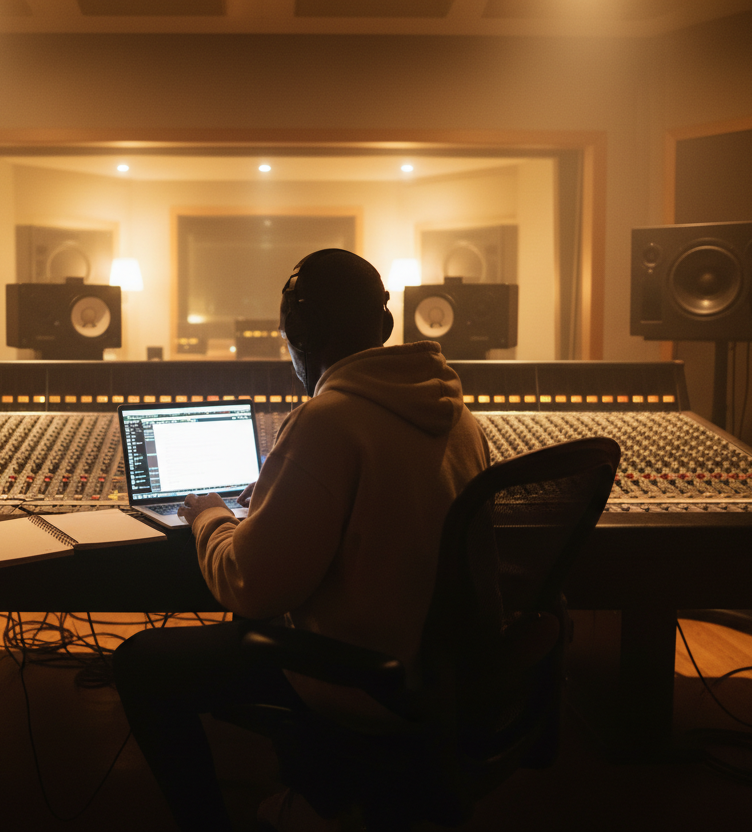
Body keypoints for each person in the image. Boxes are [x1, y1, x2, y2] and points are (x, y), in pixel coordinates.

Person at [112, 249, 491, 831]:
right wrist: (278, 494)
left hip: (360, 677)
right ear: (384, 327)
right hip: (440, 670)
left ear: (300, 332)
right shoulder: (455, 412)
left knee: (142, 663)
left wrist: (211, 514)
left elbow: (250, 586)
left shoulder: (328, 419)